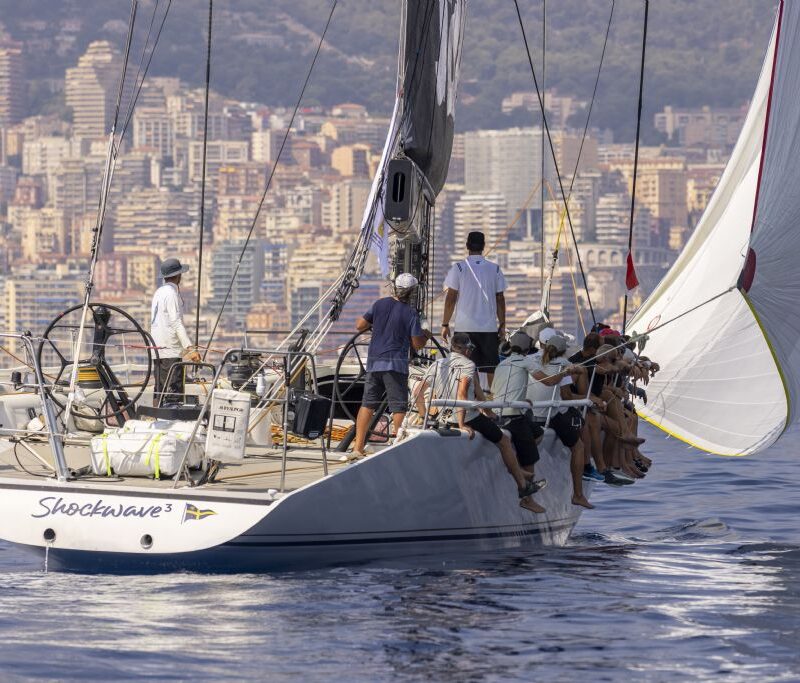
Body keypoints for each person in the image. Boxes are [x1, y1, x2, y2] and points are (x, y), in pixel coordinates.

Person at [447, 332, 542, 510]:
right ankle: (522, 486)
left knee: (509, 432)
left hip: (444, 416)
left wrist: (488, 411)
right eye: (470, 349)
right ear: (467, 349)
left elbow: (420, 390)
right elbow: (461, 395)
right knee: (504, 441)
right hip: (466, 416)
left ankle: (517, 469)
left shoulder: (440, 363)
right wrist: (461, 423)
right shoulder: (468, 364)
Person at [351, 273, 428, 459]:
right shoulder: (411, 313)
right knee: (398, 407)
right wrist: (426, 334)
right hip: (396, 366)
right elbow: (417, 344)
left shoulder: (379, 304)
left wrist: (377, 323)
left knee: (367, 405)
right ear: (412, 293)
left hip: (374, 363)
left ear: (394, 287)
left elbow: (359, 325)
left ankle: (358, 447)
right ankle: (398, 451)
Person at [526, 333, 594, 509]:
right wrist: (573, 369)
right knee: (578, 446)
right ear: (563, 351)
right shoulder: (562, 363)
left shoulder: (529, 359)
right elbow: (578, 372)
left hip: (529, 411)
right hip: (549, 413)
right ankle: (578, 495)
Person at [491, 331, 547, 513]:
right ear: (527, 349)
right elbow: (547, 380)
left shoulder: (501, 364)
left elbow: (495, 393)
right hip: (513, 417)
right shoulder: (525, 361)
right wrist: (567, 372)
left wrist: (523, 402)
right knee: (529, 455)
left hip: (501, 414)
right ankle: (526, 498)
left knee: (538, 433)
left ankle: (513, 462)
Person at [441, 231, 507, 383]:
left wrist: (445, 324)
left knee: (464, 366)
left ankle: (467, 397)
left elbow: (450, 298)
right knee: (491, 367)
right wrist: (502, 324)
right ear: (483, 246)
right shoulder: (494, 269)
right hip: (488, 327)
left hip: (464, 327)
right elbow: (500, 299)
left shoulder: (458, 268)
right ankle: (491, 401)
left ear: (467, 246)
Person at [150, 257, 201, 405]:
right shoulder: (171, 293)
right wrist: (190, 349)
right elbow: (176, 322)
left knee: (160, 388)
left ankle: (157, 414)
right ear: (178, 275)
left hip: (158, 348)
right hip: (170, 350)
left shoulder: (158, 292)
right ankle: (171, 418)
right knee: (173, 391)